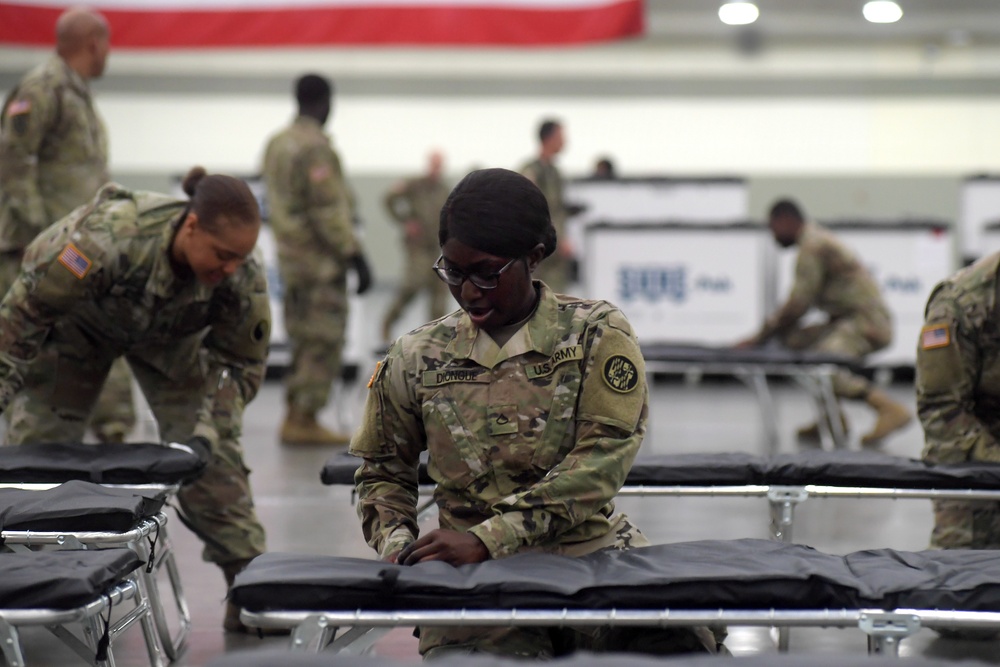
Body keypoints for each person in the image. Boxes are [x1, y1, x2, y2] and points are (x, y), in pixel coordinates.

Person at [350, 168, 722, 659]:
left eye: (487, 272)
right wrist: (402, 548)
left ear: (534, 258)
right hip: (472, 576)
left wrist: (489, 538)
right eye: (454, 272)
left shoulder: (595, 334)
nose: (469, 291)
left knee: (676, 647)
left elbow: (599, 464)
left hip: (591, 553)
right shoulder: (417, 356)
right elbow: (381, 472)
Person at [0, 167, 272, 633]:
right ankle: (18, 585)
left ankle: (250, 589)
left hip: (169, 340)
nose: (230, 268)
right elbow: (22, 318)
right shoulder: (104, 239)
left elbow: (239, 365)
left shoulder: (241, 276)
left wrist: (208, 432)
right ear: (191, 227)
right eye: (223, 255)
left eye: (239, 258)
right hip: (78, 330)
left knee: (210, 457)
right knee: (37, 456)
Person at [0, 5, 135, 443]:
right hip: (43, 250)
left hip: (79, 249)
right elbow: (13, 164)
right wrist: (38, 239)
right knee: (40, 356)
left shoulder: (75, 92)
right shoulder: (43, 88)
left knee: (99, 333)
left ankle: (112, 433)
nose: (108, 55)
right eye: (107, 45)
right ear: (94, 44)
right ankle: (34, 450)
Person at [737, 198, 911, 446]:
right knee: (793, 341)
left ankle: (889, 409)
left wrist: (758, 338)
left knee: (824, 366)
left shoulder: (812, 246)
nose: (772, 235)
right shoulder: (815, 240)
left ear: (785, 220)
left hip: (866, 322)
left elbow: (797, 304)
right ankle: (832, 419)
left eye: (772, 227)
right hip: (849, 319)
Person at [262, 73, 373, 446]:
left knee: (301, 337)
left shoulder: (277, 143)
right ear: (325, 102)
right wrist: (354, 253)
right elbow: (326, 209)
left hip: (291, 261)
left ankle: (296, 413)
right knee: (323, 338)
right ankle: (304, 417)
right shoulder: (314, 147)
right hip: (319, 263)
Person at [380, 150, 451, 342]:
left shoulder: (443, 188)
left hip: (436, 246)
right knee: (413, 285)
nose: (437, 168)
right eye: (434, 164)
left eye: (440, 164)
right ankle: (387, 323)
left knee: (439, 291)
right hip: (418, 246)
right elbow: (389, 199)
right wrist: (404, 221)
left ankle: (435, 337)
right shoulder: (415, 184)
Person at [519, 119, 574, 293]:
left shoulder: (555, 173)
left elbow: (558, 211)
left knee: (556, 296)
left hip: (555, 247)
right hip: (537, 246)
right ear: (549, 138)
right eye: (561, 136)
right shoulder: (531, 170)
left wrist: (563, 238)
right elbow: (526, 207)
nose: (564, 141)